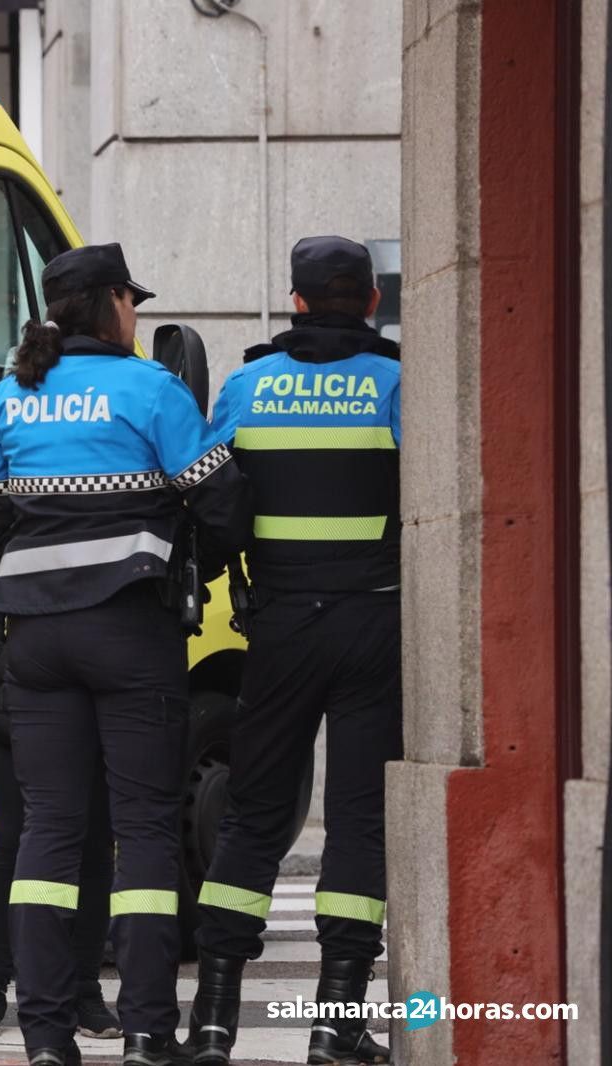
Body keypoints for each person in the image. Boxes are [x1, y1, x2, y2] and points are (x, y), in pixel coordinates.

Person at [0, 244, 252, 1066]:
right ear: (111, 304)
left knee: (47, 836)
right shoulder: (151, 389)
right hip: (130, 632)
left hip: (37, 641)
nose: (137, 313)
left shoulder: (12, 397)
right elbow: (223, 502)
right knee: (146, 834)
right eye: (132, 299)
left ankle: (48, 1038)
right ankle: (147, 1035)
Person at [188, 236, 401, 1066]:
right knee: (358, 820)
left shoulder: (246, 385)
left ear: (298, 302)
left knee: (252, 814)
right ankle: (336, 1024)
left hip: (278, 626)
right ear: (373, 302)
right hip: (375, 625)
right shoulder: (395, 381)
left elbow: (214, 503)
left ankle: (212, 1023)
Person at [0, 544, 120, 1041]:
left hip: (96, 701)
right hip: (18, 701)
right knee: (9, 845)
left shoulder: (108, 498)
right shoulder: (21, 500)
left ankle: (85, 989)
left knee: (93, 847)